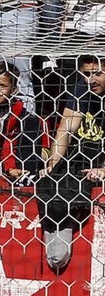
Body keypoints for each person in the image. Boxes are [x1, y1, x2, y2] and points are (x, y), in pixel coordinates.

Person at [35, 54, 105, 272]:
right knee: (53, 181)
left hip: (101, 163)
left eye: (97, 74)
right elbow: (65, 129)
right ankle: (58, 227)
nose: (90, 80)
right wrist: (52, 164)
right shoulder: (81, 89)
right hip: (82, 162)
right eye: (86, 74)